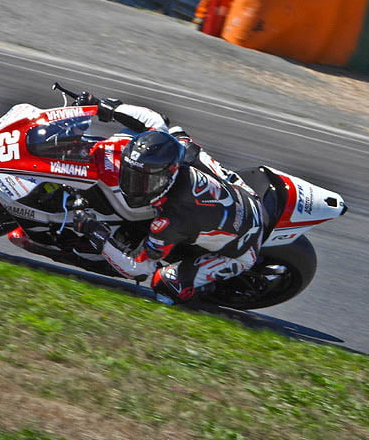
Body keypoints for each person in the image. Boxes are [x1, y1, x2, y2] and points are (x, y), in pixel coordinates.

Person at [67, 95, 266, 304]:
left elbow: (137, 269)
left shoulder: (171, 220)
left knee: (163, 284)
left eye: (146, 181)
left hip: (243, 248)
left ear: (167, 176)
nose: (134, 186)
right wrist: (104, 106)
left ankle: (199, 290)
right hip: (245, 194)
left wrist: (93, 231)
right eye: (131, 176)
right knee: (178, 136)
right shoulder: (180, 147)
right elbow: (155, 120)